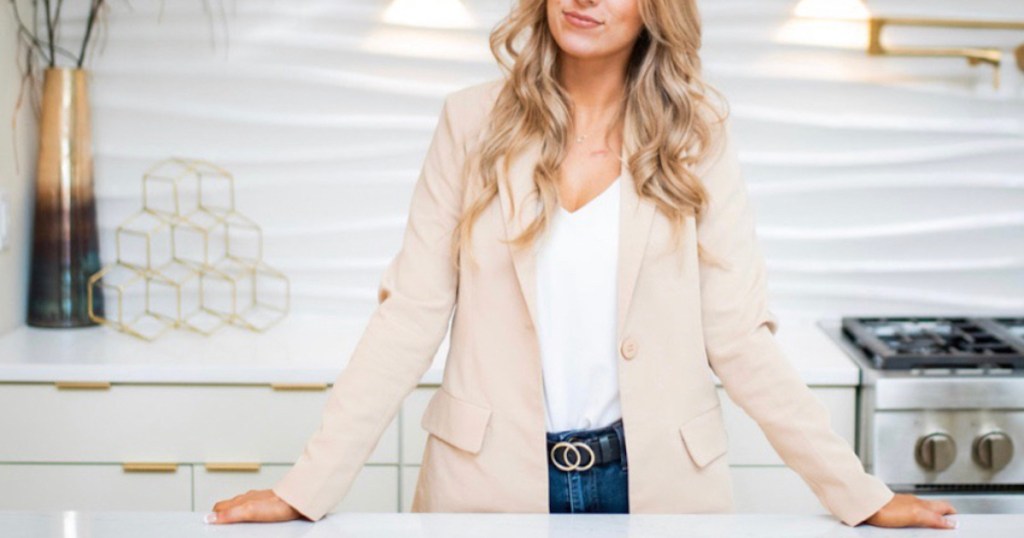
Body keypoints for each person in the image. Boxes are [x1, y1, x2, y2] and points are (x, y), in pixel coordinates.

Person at [207, 0, 957, 529]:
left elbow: (737, 338)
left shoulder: (697, 137)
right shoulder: (471, 124)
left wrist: (858, 494)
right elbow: (410, 314)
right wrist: (306, 490)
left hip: (660, 487)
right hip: (487, 486)